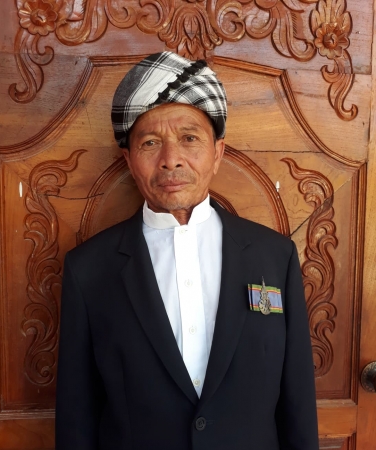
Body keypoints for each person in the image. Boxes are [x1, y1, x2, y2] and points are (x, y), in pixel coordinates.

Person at [55, 51, 319, 450]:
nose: (171, 160)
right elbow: (77, 416)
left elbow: (297, 403)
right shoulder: (88, 270)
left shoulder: (275, 257)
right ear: (129, 160)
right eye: (150, 143)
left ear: (218, 153)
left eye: (189, 138)